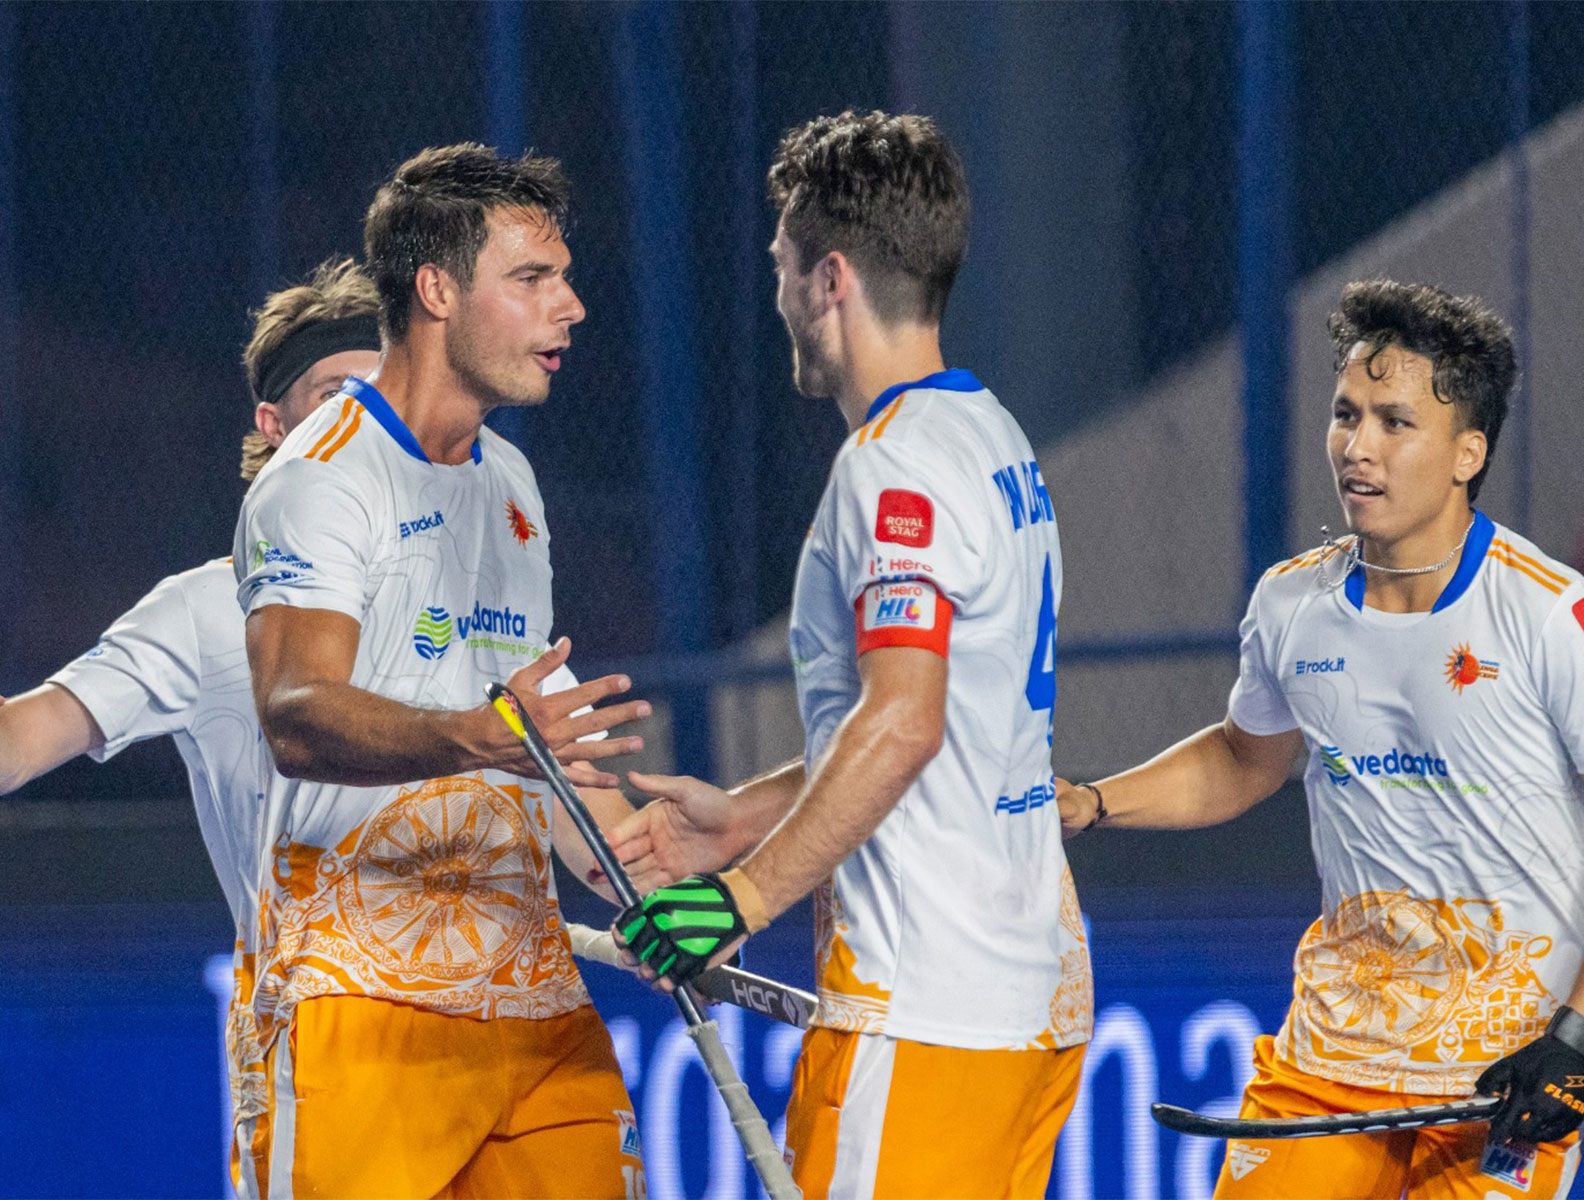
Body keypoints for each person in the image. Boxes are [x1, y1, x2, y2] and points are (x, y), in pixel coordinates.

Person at [607, 110, 1091, 1198]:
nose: (775, 291)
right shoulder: (993, 435)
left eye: (780, 264)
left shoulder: (890, 468)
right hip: (1032, 1001)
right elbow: (956, 726)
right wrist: (740, 815)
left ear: (829, 277)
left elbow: (902, 723)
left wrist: (740, 895)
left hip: (925, 1010)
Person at [1057, 280, 1584, 1199]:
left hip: (1506, 1076)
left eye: (1396, 422)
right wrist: (1098, 801)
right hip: (1328, 1064)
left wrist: (1579, 1039)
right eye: (1346, 415)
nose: (1358, 446)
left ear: (1468, 452)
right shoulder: (1290, 605)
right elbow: (1243, 757)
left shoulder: (1552, 617)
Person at [233, 143, 652, 1199]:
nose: (572, 307)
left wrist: (636, 865)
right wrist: (477, 734)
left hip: (529, 998)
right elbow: (295, 711)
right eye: (532, 280)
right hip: (362, 1007)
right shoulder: (319, 480)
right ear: (435, 291)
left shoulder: (511, 478)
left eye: (562, 276)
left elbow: (530, 739)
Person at [0, 256, 382, 1190]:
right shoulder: (208, 610)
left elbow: (586, 808)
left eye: (386, 396)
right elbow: (20, 740)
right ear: (274, 425)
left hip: (494, 1042)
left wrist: (698, 889)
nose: (365, 422)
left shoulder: (478, 580)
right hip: (314, 1054)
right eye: (337, 393)